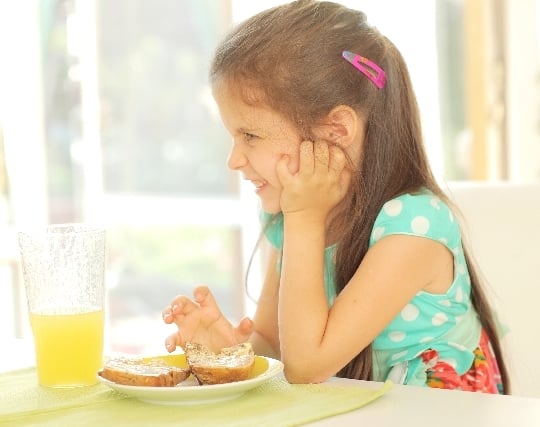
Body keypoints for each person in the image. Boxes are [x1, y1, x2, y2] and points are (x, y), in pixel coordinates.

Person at [161, 0, 509, 394]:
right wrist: (233, 353)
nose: (234, 159)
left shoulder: (415, 226)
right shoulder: (290, 214)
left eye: (251, 136)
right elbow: (278, 345)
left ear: (337, 130)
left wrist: (305, 218)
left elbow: (306, 365)